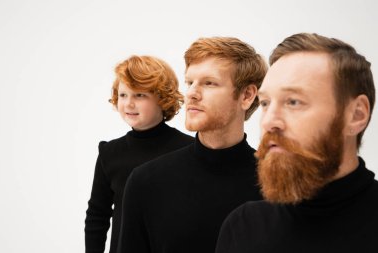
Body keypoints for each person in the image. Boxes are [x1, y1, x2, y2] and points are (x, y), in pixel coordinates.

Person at [216, 33, 378, 253]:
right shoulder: (244, 226)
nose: (269, 121)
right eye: (265, 103)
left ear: (356, 115)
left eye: (293, 102)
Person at [116, 37, 268, 253]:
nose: (192, 94)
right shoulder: (146, 181)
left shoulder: (278, 184)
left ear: (247, 95)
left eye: (209, 83)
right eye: (190, 82)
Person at [84, 55, 194, 253]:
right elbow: (97, 216)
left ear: (163, 98)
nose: (128, 103)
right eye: (124, 95)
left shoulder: (189, 149)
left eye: (139, 95)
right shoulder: (110, 153)